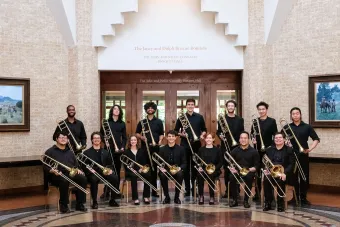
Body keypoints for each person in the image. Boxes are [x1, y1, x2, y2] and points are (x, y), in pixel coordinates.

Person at [44, 131, 87, 213]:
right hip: (56, 175)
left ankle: (80, 204)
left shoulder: (70, 152)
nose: (63, 139)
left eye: (65, 138)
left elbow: (75, 165)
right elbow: (45, 167)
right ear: (56, 139)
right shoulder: (50, 151)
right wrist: (52, 170)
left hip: (69, 173)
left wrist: (77, 169)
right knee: (64, 180)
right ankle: (63, 205)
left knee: (83, 178)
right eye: (61, 137)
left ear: (67, 140)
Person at [286, 107, 320, 206]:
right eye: (293, 114)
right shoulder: (287, 127)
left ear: (300, 115)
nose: (295, 115)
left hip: (303, 154)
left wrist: (310, 149)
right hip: (291, 155)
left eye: (297, 113)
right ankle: (294, 197)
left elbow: (316, 139)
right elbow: (280, 139)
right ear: (291, 115)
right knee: (293, 176)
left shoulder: (307, 126)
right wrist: (286, 142)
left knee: (304, 176)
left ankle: (303, 197)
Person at [175, 99, 207, 196]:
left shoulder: (199, 117)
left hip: (196, 145)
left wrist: (202, 135)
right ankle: (187, 189)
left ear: (194, 105)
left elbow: (204, 129)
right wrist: (182, 134)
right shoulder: (181, 117)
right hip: (184, 145)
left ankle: (194, 189)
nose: (190, 106)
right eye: (188, 104)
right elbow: (175, 131)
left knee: (195, 167)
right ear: (186, 106)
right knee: (185, 168)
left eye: (192, 104)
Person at [82, 132, 120, 209]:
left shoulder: (105, 152)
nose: (97, 140)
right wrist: (89, 170)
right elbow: (84, 166)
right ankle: (95, 201)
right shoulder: (86, 152)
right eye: (95, 138)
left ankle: (112, 200)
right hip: (93, 173)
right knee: (93, 179)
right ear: (92, 140)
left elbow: (110, 164)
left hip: (104, 172)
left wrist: (110, 170)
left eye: (98, 138)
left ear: (100, 140)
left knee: (115, 178)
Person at [136, 101, 164, 197]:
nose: (150, 109)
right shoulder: (142, 122)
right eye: (148, 108)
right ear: (146, 109)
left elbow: (161, 134)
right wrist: (142, 137)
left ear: (154, 109)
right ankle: (146, 191)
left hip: (156, 148)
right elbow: (137, 133)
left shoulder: (159, 122)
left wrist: (160, 141)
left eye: (152, 108)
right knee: (147, 169)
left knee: (154, 169)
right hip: (145, 148)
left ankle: (154, 190)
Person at [217, 100, 244, 198]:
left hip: (237, 146)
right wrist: (220, 135)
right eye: (229, 106)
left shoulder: (240, 119)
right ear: (227, 107)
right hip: (225, 146)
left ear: (234, 107)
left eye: (232, 105)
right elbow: (219, 131)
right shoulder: (222, 119)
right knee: (227, 168)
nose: (231, 107)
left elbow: (242, 132)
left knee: (236, 167)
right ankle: (228, 190)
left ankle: (236, 188)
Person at [251, 101, 277, 200]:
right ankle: (257, 193)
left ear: (266, 110)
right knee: (258, 172)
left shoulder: (272, 121)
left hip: (269, 150)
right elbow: (252, 133)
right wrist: (252, 138)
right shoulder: (255, 121)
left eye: (263, 109)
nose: (261, 111)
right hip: (257, 150)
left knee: (268, 172)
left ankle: (269, 195)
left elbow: (275, 135)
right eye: (259, 109)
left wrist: (273, 148)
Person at [263, 132, 295, 212]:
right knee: (266, 180)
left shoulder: (289, 150)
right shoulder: (269, 149)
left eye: (280, 138)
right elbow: (266, 162)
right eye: (276, 138)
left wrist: (285, 173)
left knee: (280, 180)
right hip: (272, 173)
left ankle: (280, 204)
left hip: (283, 173)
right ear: (274, 140)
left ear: (284, 139)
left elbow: (291, 164)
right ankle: (268, 203)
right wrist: (266, 169)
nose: (278, 139)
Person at [100, 105, 127, 199]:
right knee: (108, 170)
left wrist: (123, 147)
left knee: (117, 171)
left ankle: (116, 191)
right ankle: (106, 191)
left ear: (120, 112)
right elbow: (101, 135)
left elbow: (124, 137)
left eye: (118, 109)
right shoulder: (106, 122)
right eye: (114, 108)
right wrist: (105, 141)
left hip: (118, 150)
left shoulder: (122, 123)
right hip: (108, 149)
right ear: (112, 111)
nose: (116, 110)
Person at [229, 131, 259, 208]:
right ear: (239, 139)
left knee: (249, 178)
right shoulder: (235, 150)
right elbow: (230, 162)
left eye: (245, 138)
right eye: (241, 138)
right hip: (237, 171)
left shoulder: (254, 151)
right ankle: (235, 200)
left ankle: (246, 200)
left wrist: (252, 169)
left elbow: (257, 165)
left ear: (248, 139)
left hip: (249, 171)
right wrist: (232, 168)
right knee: (232, 177)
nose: (243, 140)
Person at [158, 130, 187, 204]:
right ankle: (167, 197)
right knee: (162, 174)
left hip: (177, 170)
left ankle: (177, 197)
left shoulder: (181, 149)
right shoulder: (162, 149)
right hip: (166, 170)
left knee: (180, 174)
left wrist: (179, 168)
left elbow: (184, 163)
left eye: (173, 136)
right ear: (167, 138)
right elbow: (159, 162)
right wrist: (161, 168)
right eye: (169, 136)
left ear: (176, 138)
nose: (171, 138)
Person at [123, 135, 152, 205]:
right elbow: (125, 165)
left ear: (137, 141)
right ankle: (135, 198)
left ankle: (146, 196)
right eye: (131, 140)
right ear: (129, 142)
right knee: (133, 176)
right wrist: (133, 170)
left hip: (140, 170)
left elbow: (144, 162)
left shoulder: (141, 151)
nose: (133, 141)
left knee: (147, 174)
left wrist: (141, 169)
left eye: (134, 140)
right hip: (130, 171)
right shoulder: (126, 152)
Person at [196, 133, 223, 205]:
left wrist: (214, 168)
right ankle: (201, 196)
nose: (208, 139)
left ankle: (212, 196)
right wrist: (199, 167)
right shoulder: (201, 149)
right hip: (203, 169)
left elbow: (220, 162)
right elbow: (198, 161)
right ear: (205, 139)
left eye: (210, 138)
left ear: (213, 139)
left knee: (211, 174)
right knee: (199, 175)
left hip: (215, 170)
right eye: (207, 138)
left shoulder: (217, 150)